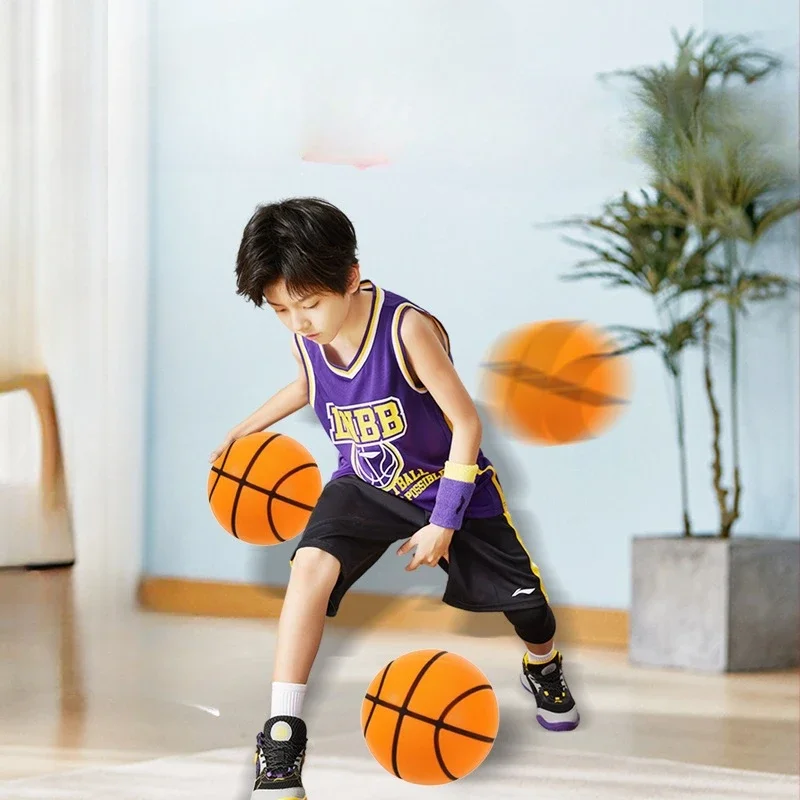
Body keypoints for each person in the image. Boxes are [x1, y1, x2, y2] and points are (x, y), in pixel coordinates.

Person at [211, 197, 580, 799]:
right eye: (280, 309)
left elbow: (466, 423)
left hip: (448, 487)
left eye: (309, 305)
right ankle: (281, 734)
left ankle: (543, 664)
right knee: (308, 569)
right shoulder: (305, 335)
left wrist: (444, 521)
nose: (298, 322)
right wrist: (246, 427)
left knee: (530, 611)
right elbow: (309, 382)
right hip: (363, 483)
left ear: (351, 278)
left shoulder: (407, 329)